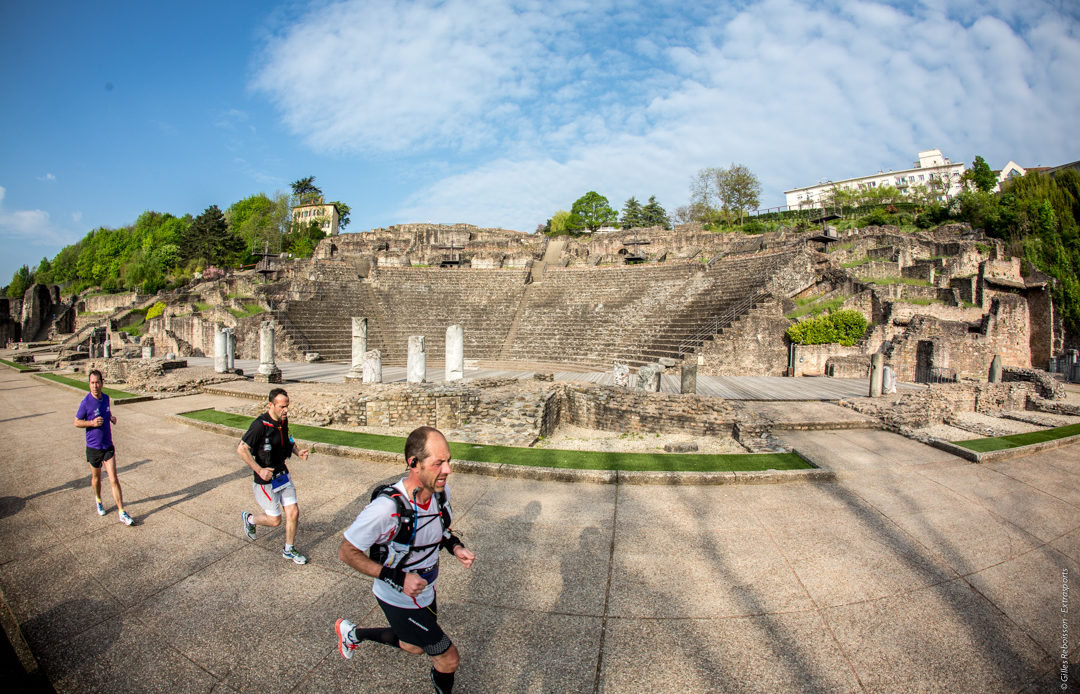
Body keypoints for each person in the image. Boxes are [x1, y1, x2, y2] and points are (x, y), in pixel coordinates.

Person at [335, 426, 475, 694]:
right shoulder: (386, 509)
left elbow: (439, 530)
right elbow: (346, 552)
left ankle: (353, 634)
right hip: (397, 596)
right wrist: (398, 577)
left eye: (448, 461)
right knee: (448, 659)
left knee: (413, 646)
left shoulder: (439, 492)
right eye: (438, 463)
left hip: (425, 590)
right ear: (413, 463)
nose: (447, 470)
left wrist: (456, 547)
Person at [238, 387, 310, 564]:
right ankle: (250, 519)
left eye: (287, 406)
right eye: (281, 407)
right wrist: (259, 469)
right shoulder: (259, 425)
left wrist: (297, 451)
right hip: (265, 481)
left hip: (282, 474)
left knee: (293, 512)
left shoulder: (283, 421)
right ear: (270, 405)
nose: (285, 410)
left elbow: (287, 440)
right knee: (275, 520)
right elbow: (242, 448)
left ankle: (289, 549)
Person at [74, 369, 133, 525]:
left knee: (113, 478)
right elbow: (76, 422)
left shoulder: (106, 398)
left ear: (102, 383)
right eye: (92, 383)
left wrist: (111, 418)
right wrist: (91, 423)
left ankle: (121, 512)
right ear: (89, 384)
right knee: (96, 478)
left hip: (108, 446)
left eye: (97, 382)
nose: (95, 386)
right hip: (93, 448)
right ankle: (98, 499)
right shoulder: (85, 402)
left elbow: (106, 411)